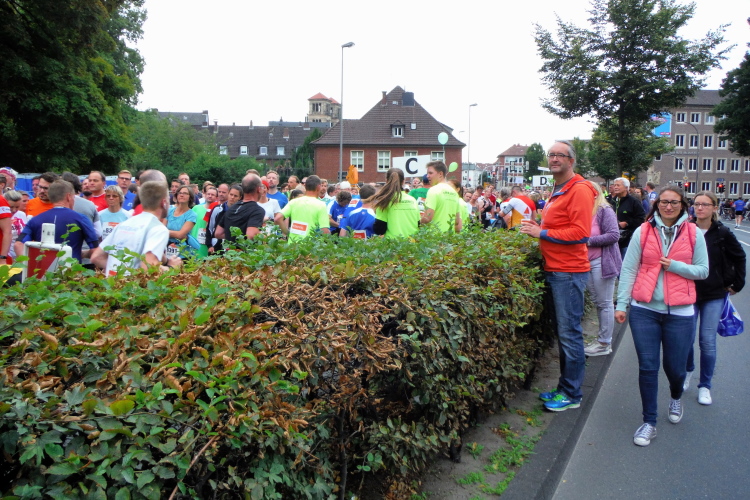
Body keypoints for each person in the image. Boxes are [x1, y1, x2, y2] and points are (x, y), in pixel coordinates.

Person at [615, 186, 708, 447]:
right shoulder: (643, 232)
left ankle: (675, 396)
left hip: (680, 312)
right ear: (657, 205)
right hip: (644, 310)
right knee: (648, 366)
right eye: (664, 202)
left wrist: (675, 265)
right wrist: (622, 304)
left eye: (674, 202)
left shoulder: (693, 233)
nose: (668, 206)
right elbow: (629, 268)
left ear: (683, 205)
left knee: (675, 369)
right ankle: (649, 422)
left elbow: (703, 271)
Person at [519, 140, 596, 412]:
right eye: (550, 155)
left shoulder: (579, 189)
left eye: (559, 155)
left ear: (571, 160)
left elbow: (581, 233)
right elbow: (562, 225)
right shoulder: (560, 187)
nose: (553, 159)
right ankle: (565, 388)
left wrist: (540, 232)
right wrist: (539, 226)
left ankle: (572, 394)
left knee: (570, 334)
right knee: (564, 333)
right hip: (557, 269)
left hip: (569, 271)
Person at [684, 191, 746, 405]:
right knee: (686, 338)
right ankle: (688, 370)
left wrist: (737, 284)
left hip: (714, 293)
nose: (700, 208)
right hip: (689, 291)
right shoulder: (686, 229)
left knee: (707, 341)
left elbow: (740, 256)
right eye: (696, 204)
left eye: (705, 204)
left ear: (714, 208)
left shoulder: (722, 232)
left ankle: (705, 385)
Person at [91, 181, 181, 275]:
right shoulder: (158, 229)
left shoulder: (124, 224)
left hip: (112, 282)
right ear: (164, 203)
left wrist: (120, 271)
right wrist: (171, 268)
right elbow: (147, 267)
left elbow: (96, 257)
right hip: (133, 284)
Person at [16, 180, 99, 263]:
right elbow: (95, 249)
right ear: (68, 197)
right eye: (73, 198)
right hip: (71, 268)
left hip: (43, 268)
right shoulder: (81, 219)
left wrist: (28, 264)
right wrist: (83, 254)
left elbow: (18, 244)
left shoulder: (36, 219)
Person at [584, 182, 622, 357]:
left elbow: (614, 234)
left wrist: (588, 241)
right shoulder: (584, 210)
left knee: (605, 303)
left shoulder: (604, 210)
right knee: (598, 302)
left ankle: (605, 343)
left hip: (602, 261)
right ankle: (601, 340)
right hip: (588, 262)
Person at [215, 174, 266, 243]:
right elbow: (251, 235)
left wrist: (233, 238)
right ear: (258, 189)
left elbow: (218, 233)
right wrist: (266, 237)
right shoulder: (257, 210)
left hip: (229, 249)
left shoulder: (231, 208)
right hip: (245, 249)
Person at [370, 168, 420, 238]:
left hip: (393, 242)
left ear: (386, 181)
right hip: (412, 242)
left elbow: (379, 230)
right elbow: (418, 223)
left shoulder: (384, 201)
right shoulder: (412, 200)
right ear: (403, 181)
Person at [279, 175, 330, 242]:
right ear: (318, 187)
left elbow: (278, 218)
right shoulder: (321, 205)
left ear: (305, 186)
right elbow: (324, 230)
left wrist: (287, 233)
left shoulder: (293, 202)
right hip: (310, 245)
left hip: (293, 244)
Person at [607, 177, 646, 260]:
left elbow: (641, 219)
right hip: (612, 241)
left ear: (626, 188)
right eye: (614, 185)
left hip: (627, 241)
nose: (615, 187)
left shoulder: (634, 202)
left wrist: (627, 223)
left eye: (618, 185)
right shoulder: (611, 202)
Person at [421, 161, 462, 233]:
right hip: (449, 236)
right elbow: (457, 221)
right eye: (427, 173)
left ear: (440, 174)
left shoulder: (433, 190)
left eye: (430, 173)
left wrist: (418, 223)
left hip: (435, 236)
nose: (427, 176)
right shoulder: (454, 192)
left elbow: (427, 218)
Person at [165, 185, 197, 259]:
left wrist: (165, 232)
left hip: (183, 253)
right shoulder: (169, 211)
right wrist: (175, 234)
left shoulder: (192, 214)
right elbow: (161, 229)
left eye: (185, 193)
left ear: (190, 197)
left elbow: (180, 235)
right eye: (180, 193)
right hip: (166, 249)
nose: (182, 195)